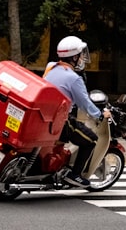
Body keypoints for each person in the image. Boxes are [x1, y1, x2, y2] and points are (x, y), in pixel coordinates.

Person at [43, 35, 112, 188]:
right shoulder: (74, 78)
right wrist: (101, 114)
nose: (82, 58)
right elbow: (85, 103)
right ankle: (75, 175)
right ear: (74, 57)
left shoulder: (50, 67)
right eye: (81, 55)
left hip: (44, 117)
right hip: (59, 123)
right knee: (91, 139)